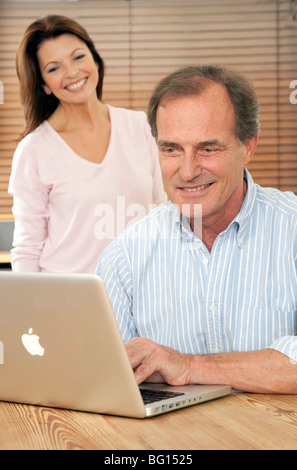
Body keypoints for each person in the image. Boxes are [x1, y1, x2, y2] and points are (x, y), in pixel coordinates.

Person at [96, 65, 297, 394]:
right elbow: (104, 378)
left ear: (249, 146)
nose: (187, 171)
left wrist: (190, 366)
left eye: (208, 148)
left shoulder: (291, 230)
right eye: (171, 149)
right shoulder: (124, 258)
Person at [8, 15, 166, 273]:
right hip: (68, 302)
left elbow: (161, 212)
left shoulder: (139, 126)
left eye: (78, 57)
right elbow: (27, 250)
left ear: (95, 60)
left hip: (140, 296)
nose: (72, 72)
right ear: (44, 85)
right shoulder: (34, 151)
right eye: (53, 68)